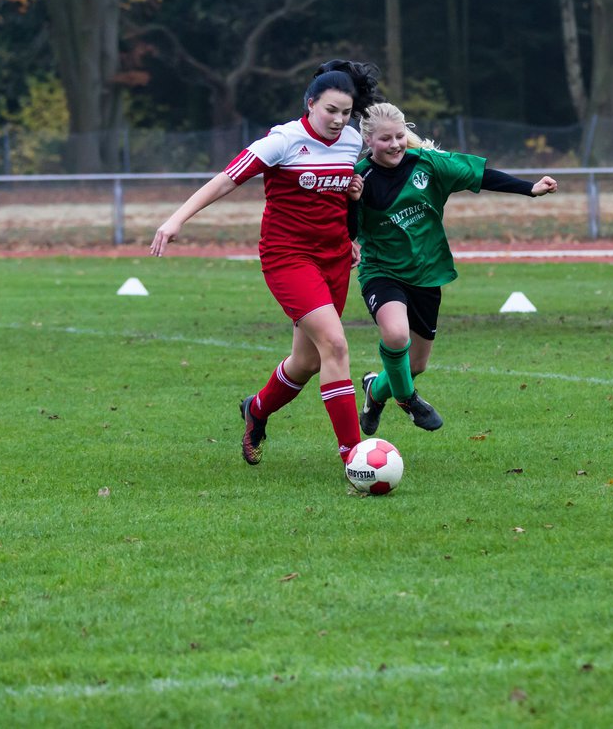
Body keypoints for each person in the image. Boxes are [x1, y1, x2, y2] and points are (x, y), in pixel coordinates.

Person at [150, 60, 385, 465]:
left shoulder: (350, 141)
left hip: (333, 259)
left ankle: (256, 409)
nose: (338, 119)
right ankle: (354, 457)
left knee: (308, 361)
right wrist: (176, 219)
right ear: (310, 103)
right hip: (288, 257)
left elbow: (338, 192)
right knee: (336, 345)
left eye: (345, 112)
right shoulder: (282, 141)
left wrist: (351, 226)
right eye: (330, 110)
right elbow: (226, 179)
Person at [349, 102, 558, 436]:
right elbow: (349, 231)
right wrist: (354, 203)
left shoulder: (428, 164)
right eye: (385, 139)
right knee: (396, 335)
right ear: (368, 141)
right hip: (382, 272)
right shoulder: (361, 178)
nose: (395, 145)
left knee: (415, 364)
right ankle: (408, 400)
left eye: (400, 136)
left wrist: (529, 188)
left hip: (427, 272)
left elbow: (479, 174)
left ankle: (375, 393)